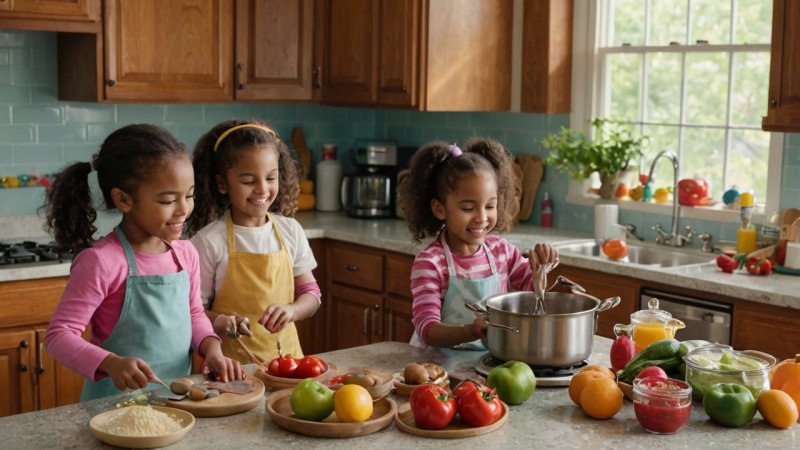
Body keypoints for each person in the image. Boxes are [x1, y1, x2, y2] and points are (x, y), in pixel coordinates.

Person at [43, 124, 244, 401]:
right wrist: (111, 363)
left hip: (177, 404)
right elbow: (59, 336)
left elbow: (194, 314)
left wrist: (211, 348)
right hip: (112, 407)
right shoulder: (101, 261)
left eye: (189, 195)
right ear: (123, 199)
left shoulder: (186, 253)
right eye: (168, 200)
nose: (184, 209)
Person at [398, 138, 560, 349]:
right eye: (468, 208)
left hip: (489, 365)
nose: (481, 217)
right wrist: (468, 331)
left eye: (490, 206)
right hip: (438, 370)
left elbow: (532, 294)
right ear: (440, 209)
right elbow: (427, 329)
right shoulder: (430, 263)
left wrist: (541, 267)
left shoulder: (502, 252)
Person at [186, 119, 321, 364]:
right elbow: (194, 312)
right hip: (229, 369)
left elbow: (311, 294)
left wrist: (292, 311)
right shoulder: (208, 242)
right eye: (249, 181)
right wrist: (221, 320)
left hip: (289, 365)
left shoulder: (291, 230)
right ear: (222, 184)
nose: (262, 189)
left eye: (271, 178)